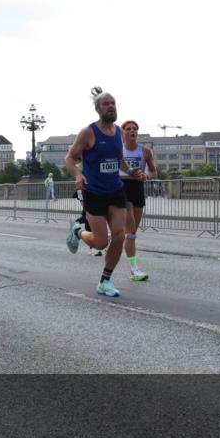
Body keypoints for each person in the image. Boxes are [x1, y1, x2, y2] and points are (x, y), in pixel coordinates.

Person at [64, 87, 142, 297]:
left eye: (113, 103)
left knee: (119, 235)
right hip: (94, 192)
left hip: (116, 190)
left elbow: (119, 160)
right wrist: (78, 175)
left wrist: (131, 171)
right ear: (98, 109)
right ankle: (78, 231)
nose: (111, 106)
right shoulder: (88, 132)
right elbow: (70, 158)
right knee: (101, 242)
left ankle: (105, 280)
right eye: (106, 104)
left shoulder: (118, 132)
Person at [120, 120, 157, 281]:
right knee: (131, 229)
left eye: (135, 129)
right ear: (123, 133)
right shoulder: (118, 150)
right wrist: (128, 174)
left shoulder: (145, 151)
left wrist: (146, 176)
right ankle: (134, 269)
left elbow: (154, 171)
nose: (132, 131)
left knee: (132, 232)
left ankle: (114, 236)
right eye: (128, 129)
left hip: (138, 189)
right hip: (122, 188)